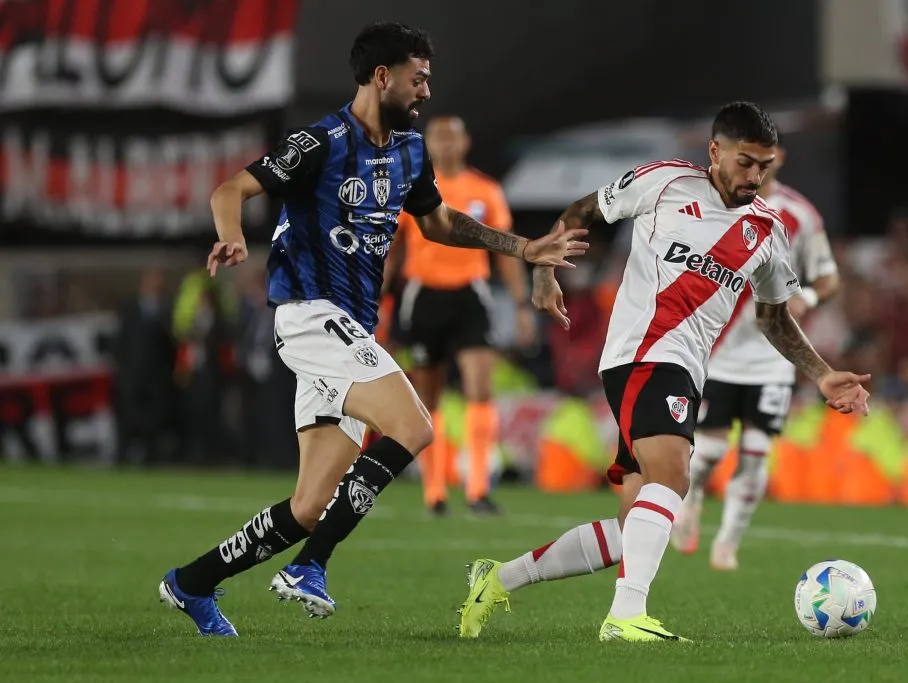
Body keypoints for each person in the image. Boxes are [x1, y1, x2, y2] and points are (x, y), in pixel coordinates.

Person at [157, 21, 587, 637]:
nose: (426, 92)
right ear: (382, 76)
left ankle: (192, 583)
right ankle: (310, 568)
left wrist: (523, 248)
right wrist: (231, 235)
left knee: (309, 506)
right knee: (414, 425)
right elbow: (232, 189)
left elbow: (437, 223)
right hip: (309, 314)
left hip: (351, 329)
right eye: (419, 79)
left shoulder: (410, 149)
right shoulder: (321, 141)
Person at [457, 102, 870, 643]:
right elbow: (583, 210)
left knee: (637, 529)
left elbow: (774, 318)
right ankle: (626, 616)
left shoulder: (768, 232)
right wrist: (543, 267)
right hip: (644, 352)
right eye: (746, 162)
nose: (755, 177)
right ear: (715, 151)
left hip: (682, 367)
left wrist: (821, 374)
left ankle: (498, 579)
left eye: (765, 166)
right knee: (675, 475)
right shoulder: (664, 182)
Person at [669, 147, 840, 570]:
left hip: (772, 356)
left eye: (767, 154)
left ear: (779, 156)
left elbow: (829, 276)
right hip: (719, 350)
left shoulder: (799, 214)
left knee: (757, 448)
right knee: (707, 451)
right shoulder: (711, 203)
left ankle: (728, 542)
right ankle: (692, 498)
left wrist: (810, 296)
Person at [390, 116, 535, 517]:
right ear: (429, 143)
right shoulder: (412, 189)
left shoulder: (484, 190)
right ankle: (435, 492)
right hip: (423, 295)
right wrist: (376, 301)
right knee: (429, 396)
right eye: (439, 137)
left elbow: (506, 249)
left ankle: (477, 490)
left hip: (471, 294)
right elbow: (393, 251)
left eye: (453, 137)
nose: (447, 144)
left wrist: (523, 305)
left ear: (465, 142)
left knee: (479, 389)